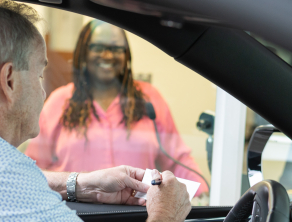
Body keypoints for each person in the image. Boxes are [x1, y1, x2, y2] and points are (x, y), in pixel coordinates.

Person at [0, 0, 191, 222]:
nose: (42, 92)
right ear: (9, 80)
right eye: (40, 75)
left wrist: (80, 184)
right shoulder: (1, 173)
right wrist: (166, 216)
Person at [25, 19, 209, 195]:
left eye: (116, 48)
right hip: (76, 214)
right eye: (98, 47)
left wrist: (202, 194)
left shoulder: (148, 99)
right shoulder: (61, 101)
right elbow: (34, 168)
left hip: (137, 213)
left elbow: (178, 160)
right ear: (83, 52)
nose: (108, 55)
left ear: (126, 54)